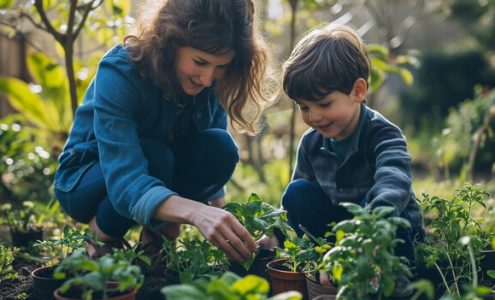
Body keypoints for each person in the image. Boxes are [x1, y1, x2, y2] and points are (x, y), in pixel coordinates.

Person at [54, 0, 274, 264]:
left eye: (221, 66)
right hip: (86, 180)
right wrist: (194, 213)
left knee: (220, 147)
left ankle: (156, 238)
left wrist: (234, 229)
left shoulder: (210, 83)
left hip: (157, 170)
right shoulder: (120, 71)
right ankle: (103, 234)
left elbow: (207, 157)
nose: (207, 79)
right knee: (156, 155)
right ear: (171, 42)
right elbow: (125, 177)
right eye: (200, 62)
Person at [261, 23, 425, 294]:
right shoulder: (312, 143)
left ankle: (395, 285)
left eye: (324, 104)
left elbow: (393, 186)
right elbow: (292, 204)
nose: (313, 117)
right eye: (304, 107)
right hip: (342, 235)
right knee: (296, 193)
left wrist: (362, 237)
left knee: (376, 203)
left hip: (388, 234)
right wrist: (274, 232)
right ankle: (331, 272)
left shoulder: (383, 135)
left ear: (358, 91)